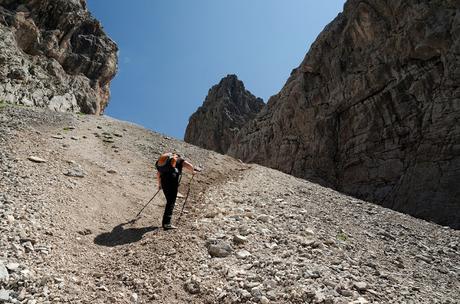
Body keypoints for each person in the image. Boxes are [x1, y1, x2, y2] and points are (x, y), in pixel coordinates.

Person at [155, 152, 196, 230]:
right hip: (172, 181)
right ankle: (166, 223)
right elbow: (189, 165)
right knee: (171, 202)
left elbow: (158, 174)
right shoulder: (179, 159)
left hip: (164, 182)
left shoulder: (164, 163)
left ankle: (166, 222)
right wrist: (193, 171)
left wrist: (160, 185)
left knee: (169, 201)